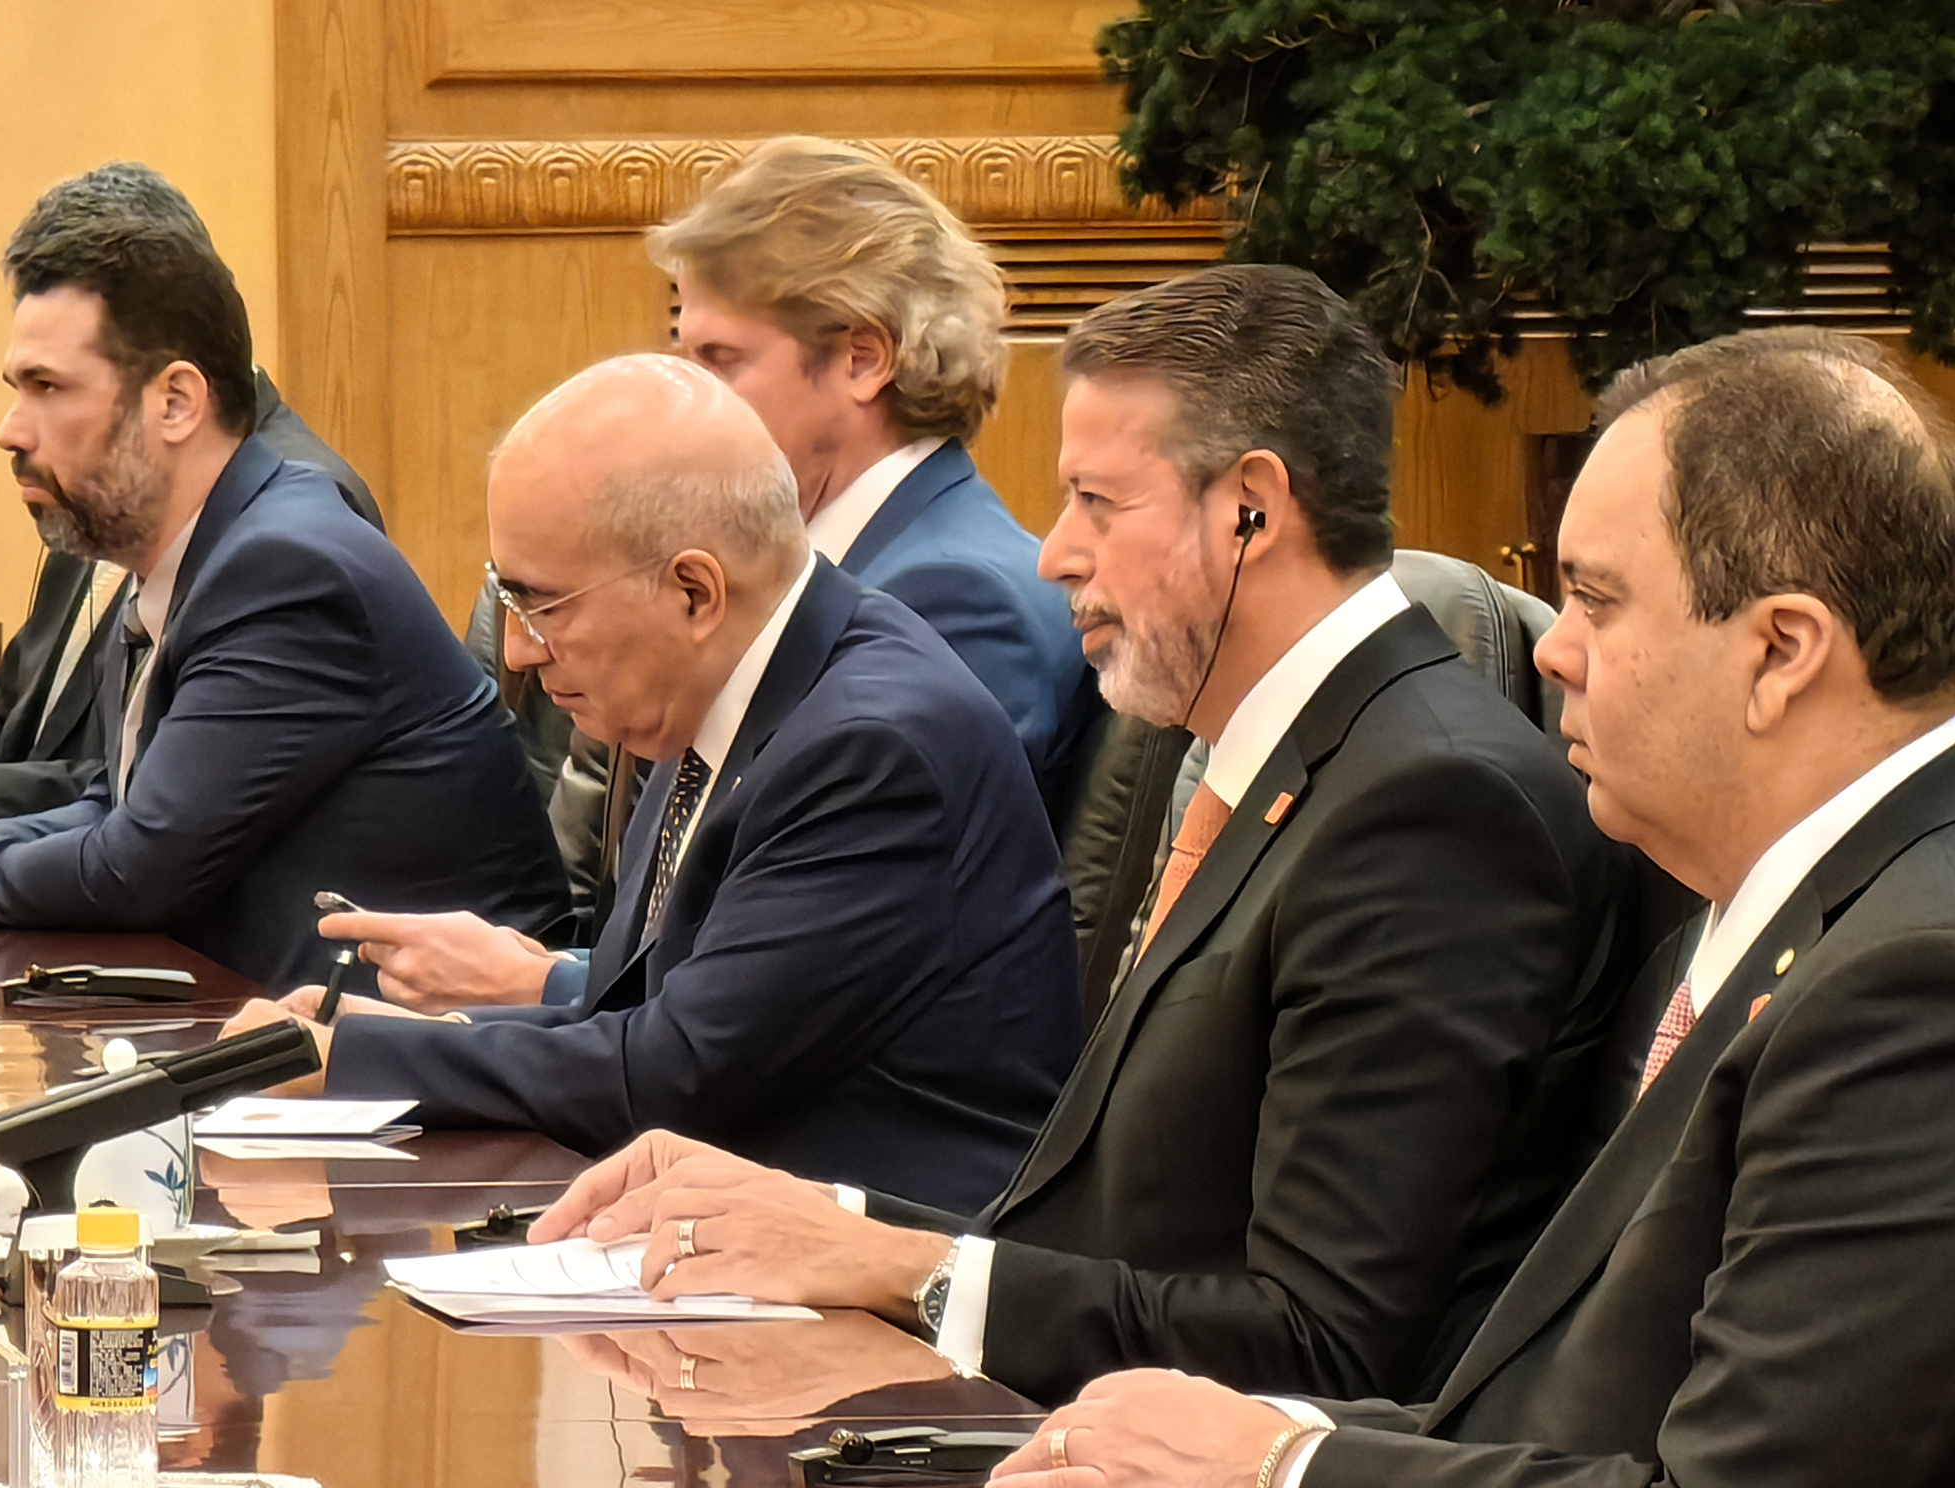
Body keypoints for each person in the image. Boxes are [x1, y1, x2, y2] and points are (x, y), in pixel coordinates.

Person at [940, 328, 1955, 1488]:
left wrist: (1279, 1470)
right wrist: (1244, 1434)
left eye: (1595, 600)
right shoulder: (1835, 913)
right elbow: (1584, 1425)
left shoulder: (1949, 985)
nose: (1552, 648)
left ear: (1780, 650)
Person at [521, 266, 1639, 1408]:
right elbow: (1128, 1228)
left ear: (1249, 507)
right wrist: (815, 1218)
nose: (1055, 553)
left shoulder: (1431, 808)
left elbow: (1320, 1342)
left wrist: (902, 1268)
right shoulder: (1276, 762)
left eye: (1099, 503)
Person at [217, 355, 1084, 1214]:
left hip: (879, 1266)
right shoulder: (720, 689)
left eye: (541, 605)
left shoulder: (869, 749)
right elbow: (637, 1010)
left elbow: (674, 1074)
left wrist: (345, 1062)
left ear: (694, 592)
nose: (516, 652)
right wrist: (405, 1033)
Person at [325, 135, 1097, 1013]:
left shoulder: (952, 595)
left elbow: (813, 969)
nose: (686, 389)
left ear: (862, 358)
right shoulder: (793, 571)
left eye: (721, 360)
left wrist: (535, 984)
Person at [0, 166, 567, 992]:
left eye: (48, 388)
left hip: (438, 1036)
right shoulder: (195, 552)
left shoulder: (288, 566)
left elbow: (139, 865)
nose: (10, 431)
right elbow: (113, 807)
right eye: (17, 389)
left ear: (177, 402)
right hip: (267, 1019)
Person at [0, 168, 383, 826]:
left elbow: (163, 801)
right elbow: (10, 721)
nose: (9, 432)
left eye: (48, 386)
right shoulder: (100, 485)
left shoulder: (297, 525)